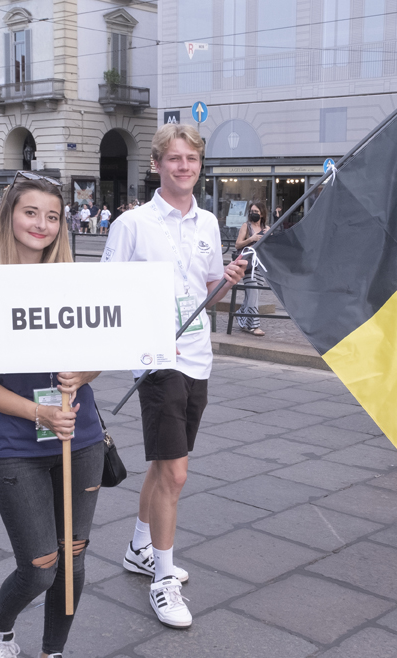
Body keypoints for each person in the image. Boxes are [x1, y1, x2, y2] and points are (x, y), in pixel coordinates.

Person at [0, 174, 105, 658]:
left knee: (74, 560)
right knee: (40, 566)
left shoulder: (74, 281)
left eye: (52, 216)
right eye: (30, 213)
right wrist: (38, 410)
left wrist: (80, 376)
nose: (41, 225)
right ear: (7, 216)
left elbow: (104, 349)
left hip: (79, 438)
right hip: (18, 444)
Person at [101, 124, 245, 628]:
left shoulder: (207, 223)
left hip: (197, 355)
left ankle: (140, 548)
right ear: (157, 164)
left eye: (192, 159)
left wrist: (224, 282)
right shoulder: (133, 224)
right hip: (157, 357)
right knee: (177, 473)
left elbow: (207, 294)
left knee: (165, 467)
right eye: (174, 158)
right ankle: (162, 580)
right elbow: (108, 290)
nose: (184, 166)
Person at [234, 201, 269, 336]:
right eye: (252, 211)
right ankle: (254, 326)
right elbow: (238, 244)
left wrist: (268, 235)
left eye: (256, 212)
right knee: (253, 293)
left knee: (253, 296)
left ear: (262, 214)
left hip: (261, 265)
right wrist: (252, 238)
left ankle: (242, 315)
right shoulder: (246, 226)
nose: (253, 214)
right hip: (249, 266)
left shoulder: (266, 227)